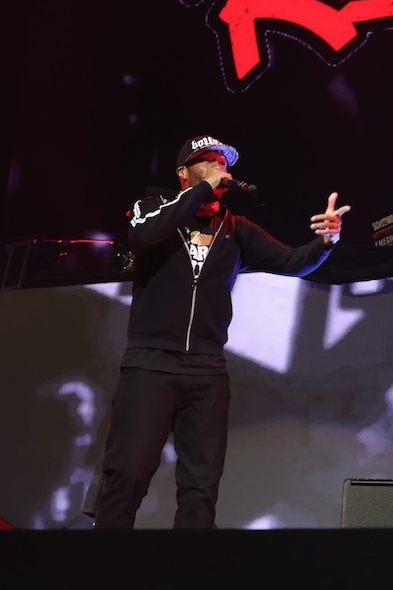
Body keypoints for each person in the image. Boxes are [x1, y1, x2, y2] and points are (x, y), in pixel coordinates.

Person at [93, 134, 350, 529]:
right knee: (127, 474)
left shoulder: (236, 228)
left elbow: (292, 262)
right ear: (183, 173)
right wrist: (199, 191)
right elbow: (143, 234)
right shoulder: (152, 209)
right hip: (150, 364)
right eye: (207, 160)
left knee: (201, 486)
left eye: (223, 162)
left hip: (207, 369)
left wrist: (326, 240)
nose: (219, 167)